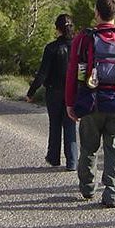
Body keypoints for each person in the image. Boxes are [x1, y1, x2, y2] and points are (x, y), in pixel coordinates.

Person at [65, 0, 115, 208]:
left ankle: (88, 188)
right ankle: (112, 193)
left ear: (96, 12)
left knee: (89, 148)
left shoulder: (84, 38)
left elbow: (72, 72)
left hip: (91, 102)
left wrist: (70, 103)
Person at [27, 14, 78, 171]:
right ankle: (72, 161)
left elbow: (42, 73)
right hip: (73, 92)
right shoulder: (78, 46)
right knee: (70, 125)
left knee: (55, 124)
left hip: (54, 91)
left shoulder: (51, 48)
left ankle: (53, 157)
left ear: (57, 29)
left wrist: (31, 92)